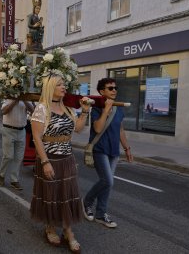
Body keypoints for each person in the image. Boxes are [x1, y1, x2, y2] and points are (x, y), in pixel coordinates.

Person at [30, 74, 91, 253]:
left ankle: (68, 231)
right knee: (51, 195)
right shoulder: (41, 109)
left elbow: (78, 129)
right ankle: (50, 227)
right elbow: (37, 137)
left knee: (67, 195)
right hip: (50, 159)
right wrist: (45, 162)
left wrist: (85, 111)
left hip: (67, 159)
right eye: (59, 85)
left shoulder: (68, 109)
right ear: (50, 88)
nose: (64, 87)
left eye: (64, 84)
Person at [83, 78, 133, 228]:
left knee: (107, 184)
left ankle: (100, 214)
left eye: (115, 88)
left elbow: (120, 129)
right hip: (100, 149)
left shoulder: (119, 108)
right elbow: (97, 129)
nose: (114, 90)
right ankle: (86, 202)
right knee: (108, 180)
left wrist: (127, 149)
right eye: (110, 88)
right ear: (101, 92)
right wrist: (106, 110)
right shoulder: (97, 108)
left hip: (113, 150)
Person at [0, 100, 34, 190]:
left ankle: (14, 180)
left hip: (21, 131)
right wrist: (15, 101)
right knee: (8, 156)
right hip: (8, 130)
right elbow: (4, 111)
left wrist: (24, 100)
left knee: (19, 157)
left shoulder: (26, 98)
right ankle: (1, 174)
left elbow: (33, 111)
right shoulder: (8, 98)